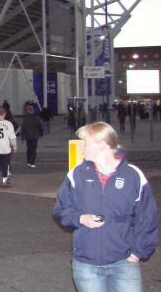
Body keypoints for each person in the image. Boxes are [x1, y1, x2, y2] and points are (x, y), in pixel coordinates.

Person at [53, 122, 158, 292]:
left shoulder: (133, 175)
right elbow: (61, 209)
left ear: (102, 145)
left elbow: (147, 217)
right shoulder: (76, 174)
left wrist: (139, 251)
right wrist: (80, 218)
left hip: (124, 261)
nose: (81, 147)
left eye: (86, 142)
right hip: (86, 262)